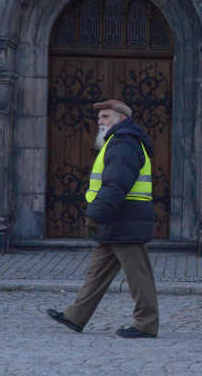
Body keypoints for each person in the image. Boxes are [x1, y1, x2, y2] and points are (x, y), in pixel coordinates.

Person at [47, 99, 160, 339]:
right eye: (99, 117)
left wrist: (96, 215)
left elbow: (116, 183)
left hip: (124, 218)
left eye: (106, 116)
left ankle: (146, 324)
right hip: (118, 218)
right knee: (97, 273)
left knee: (138, 275)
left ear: (121, 118)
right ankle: (76, 316)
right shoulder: (118, 141)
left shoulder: (123, 142)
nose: (100, 121)